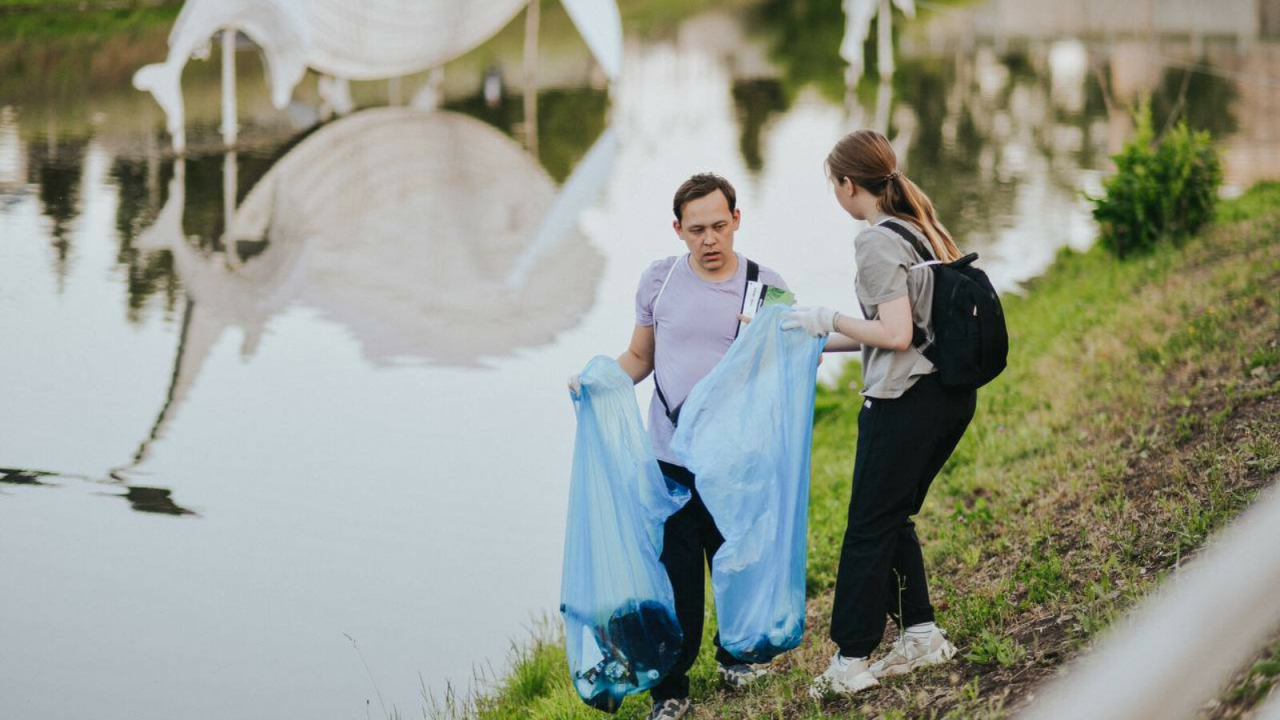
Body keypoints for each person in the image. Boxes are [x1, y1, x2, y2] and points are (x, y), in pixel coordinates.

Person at [569, 173, 789, 720]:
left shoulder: (768, 285)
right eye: (696, 230)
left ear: (737, 220)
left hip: (736, 464)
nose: (709, 240)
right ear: (678, 229)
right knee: (676, 578)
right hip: (668, 462)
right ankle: (672, 690)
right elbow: (640, 358)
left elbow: (781, 373)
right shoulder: (659, 282)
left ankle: (734, 655)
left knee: (736, 565)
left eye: (719, 226)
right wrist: (599, 381)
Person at [781, 129, 977, 697]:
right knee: (891, 518)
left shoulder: (874, 241)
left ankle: (850, 661)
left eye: (832, 185)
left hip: (904, 404)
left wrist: (831, 318)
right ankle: (921, 634)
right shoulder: (920, 226)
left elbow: (894, 333)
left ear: (848, 184)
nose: (834, 195)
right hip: (947, 397)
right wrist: (811, 338)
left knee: (868, 527)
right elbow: (909, 332)